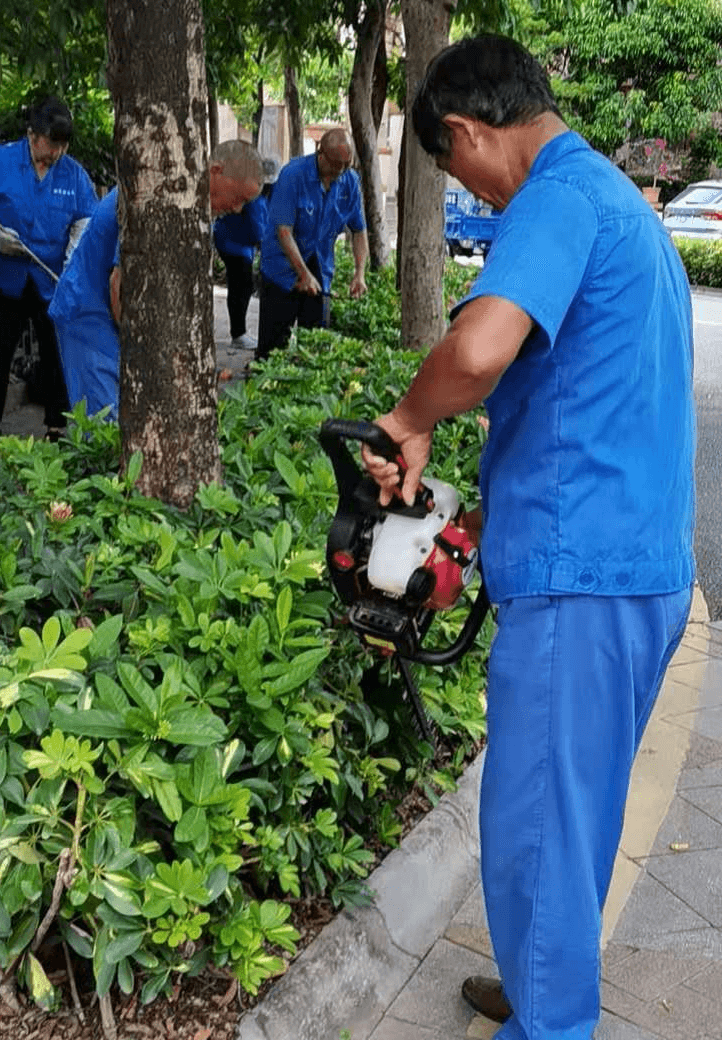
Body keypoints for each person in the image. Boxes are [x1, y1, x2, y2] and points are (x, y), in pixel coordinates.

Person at [360, 34, 695, 1040]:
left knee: (539, 822)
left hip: (584, 580)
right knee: (575, 808)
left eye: (452, 163)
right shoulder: (621, 208)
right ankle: (545, 972)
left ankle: (549, 1020)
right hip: (637, 569)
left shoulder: (555, 196)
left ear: (465, 131)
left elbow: (478, 346)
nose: (473, 190)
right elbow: (578, 406)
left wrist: (409, 421)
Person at [48, 140, 265, 419]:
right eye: (238, 198)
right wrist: (145, 352)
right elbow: (120, 285)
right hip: (88, 314)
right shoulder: (157, 196)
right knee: (103, 426)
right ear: (215, 170)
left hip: (113, 317)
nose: (237, 209)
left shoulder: (194, 207)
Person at [0, 96, 98, 451]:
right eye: (51, 143)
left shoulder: (74, 174)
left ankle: (56, 427)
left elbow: (85, 220)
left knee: (56, 354)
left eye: (63, 145)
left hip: (50, 282)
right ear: (32, 135)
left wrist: (72, 256)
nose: (56, 152)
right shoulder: (0, 161)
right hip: (4, 278)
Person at [256, 127, 369, 362]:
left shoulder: (349, 181)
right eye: (336, 164)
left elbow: (359, 230)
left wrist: (360, 273)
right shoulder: (292, 175)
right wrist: (303, 274)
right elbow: (284, 231)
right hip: (281, 269)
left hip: (320, 270)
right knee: (272, 350)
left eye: (346, 165)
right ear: (321, 153)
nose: (340, 171)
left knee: (316, 348)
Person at [212, 158, 278, 350]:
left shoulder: (265, 194)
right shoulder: (252, 195)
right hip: (232, 244)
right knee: (241, 286)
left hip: (240, 244)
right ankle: (238, 334)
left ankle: (238, 332)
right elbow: (258, 230)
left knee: (244, 286)